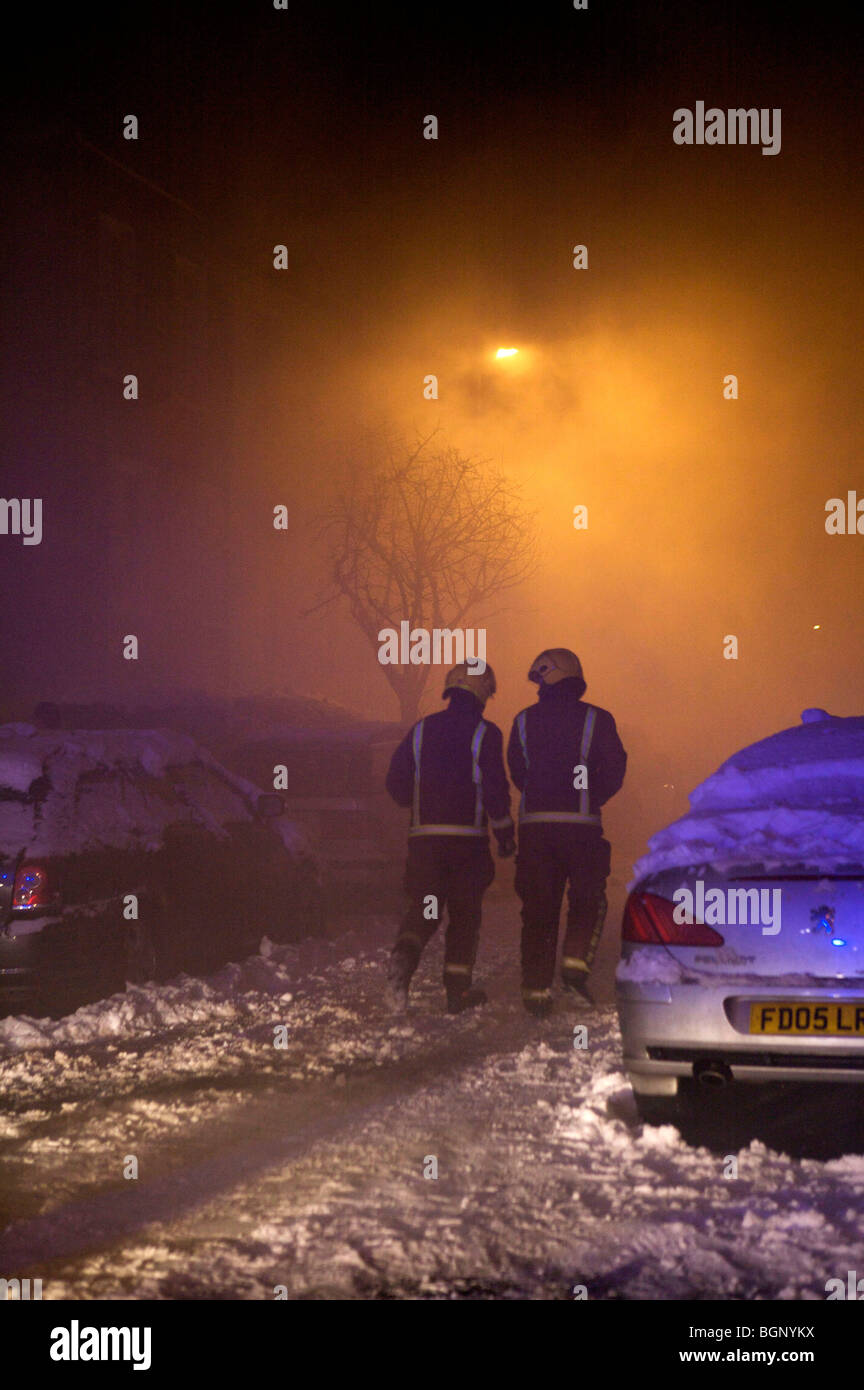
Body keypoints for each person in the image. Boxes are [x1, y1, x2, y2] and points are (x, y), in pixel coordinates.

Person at [384, 662, 515, 1013]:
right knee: (464, 916)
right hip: (466, 847)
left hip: (425, 844)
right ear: (481, 693)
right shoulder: (485, 733)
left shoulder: (422, 729)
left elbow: (395, 782)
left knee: (425, 909)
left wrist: (419, 806)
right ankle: (457, 993)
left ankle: (403, 960)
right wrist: (504, 835)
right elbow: (495, 790)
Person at [508, 649, 626, 1017]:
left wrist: (541, 797)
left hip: (535, 830)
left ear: (551, 676)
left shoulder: (523, 720)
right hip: (581, 829)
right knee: (588, 899)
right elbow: (614, 769)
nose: (537, 686)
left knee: (539, 908)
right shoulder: (598, 719)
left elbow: (518, 771)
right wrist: (590, 797)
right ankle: (574, 968)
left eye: (539, 678)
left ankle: (536, 991)